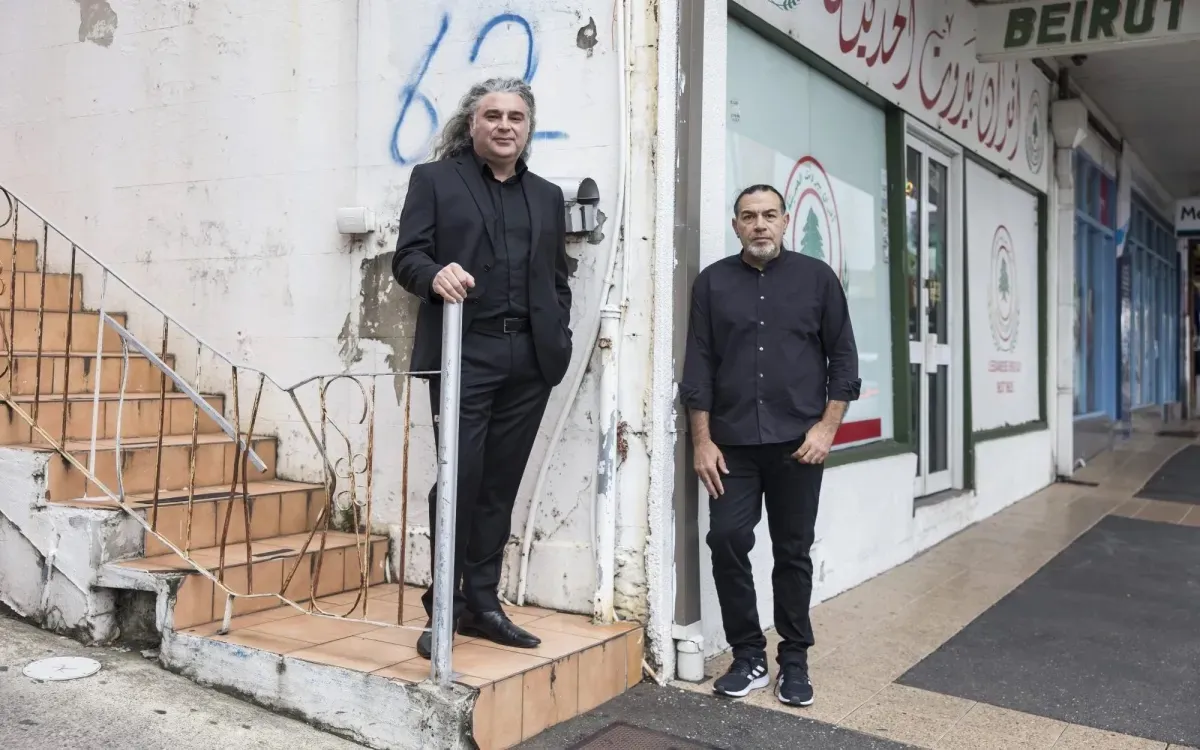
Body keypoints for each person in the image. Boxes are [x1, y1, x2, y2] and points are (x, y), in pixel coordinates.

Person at [391, 77, 573, 658]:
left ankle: (484, 604)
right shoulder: (435, 181)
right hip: (463, 352)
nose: (504, 125)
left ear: (528, 127)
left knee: (500, 483)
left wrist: (558, 336)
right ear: (471, 125)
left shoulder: (546, 195)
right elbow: (407, 257)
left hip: (530, 359)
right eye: (492, 115)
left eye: (516, 117)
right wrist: (434, 275)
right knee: (461, 478)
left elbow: (558, 276)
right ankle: (443, 605)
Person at [679, 184, 860, 707]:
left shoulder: (817, 280)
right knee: (728, 540)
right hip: (731, 444)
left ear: (785, 222)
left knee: (792, 551)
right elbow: (699, 365)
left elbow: (843, 361)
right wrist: (701, 441)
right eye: (748, 216)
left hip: (798, 443)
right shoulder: (712, 283)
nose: (760, 225)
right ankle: (748, 654)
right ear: (735, 225)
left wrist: (826, 429)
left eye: (769, 216)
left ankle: (795, 662)